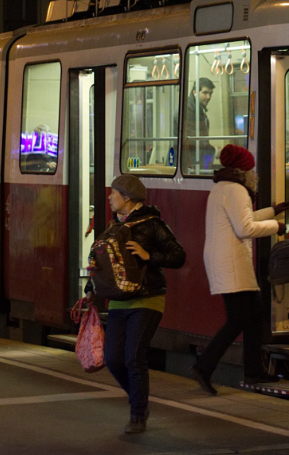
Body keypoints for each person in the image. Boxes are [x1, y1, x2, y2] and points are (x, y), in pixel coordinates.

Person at [87, 174, 186, 434]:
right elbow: (101, 264)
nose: (109, 197)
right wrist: (90, 288)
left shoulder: (153, 224)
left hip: (148, 298)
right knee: (113, 359)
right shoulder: (112, 225)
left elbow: (178, 255)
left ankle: (138, 414)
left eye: (114, 193)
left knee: (133, 357)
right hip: (120, 302)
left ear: (127, 197)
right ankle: (138, 399)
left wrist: (148, 255)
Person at [190, 144, 286, 394]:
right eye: (251, 168)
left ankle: (254, 371)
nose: (254, 173)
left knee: (253, 317)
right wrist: (276, 226)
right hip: (231, 263)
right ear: (244, 170)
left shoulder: (222, 188)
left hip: (224, 261)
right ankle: (204, 366)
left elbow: (243, 218)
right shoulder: (237, 191)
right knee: (240, 319)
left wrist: (272, 211)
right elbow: (245, 228)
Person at [183, 77, 216, 172]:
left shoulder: (199, 110)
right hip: (188, 163)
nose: (208, 97)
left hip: (196, 160)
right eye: (205, 93)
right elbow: (194, 140)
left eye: (210, 93)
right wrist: (215, 151)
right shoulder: (188, 111)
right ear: (195, 93)